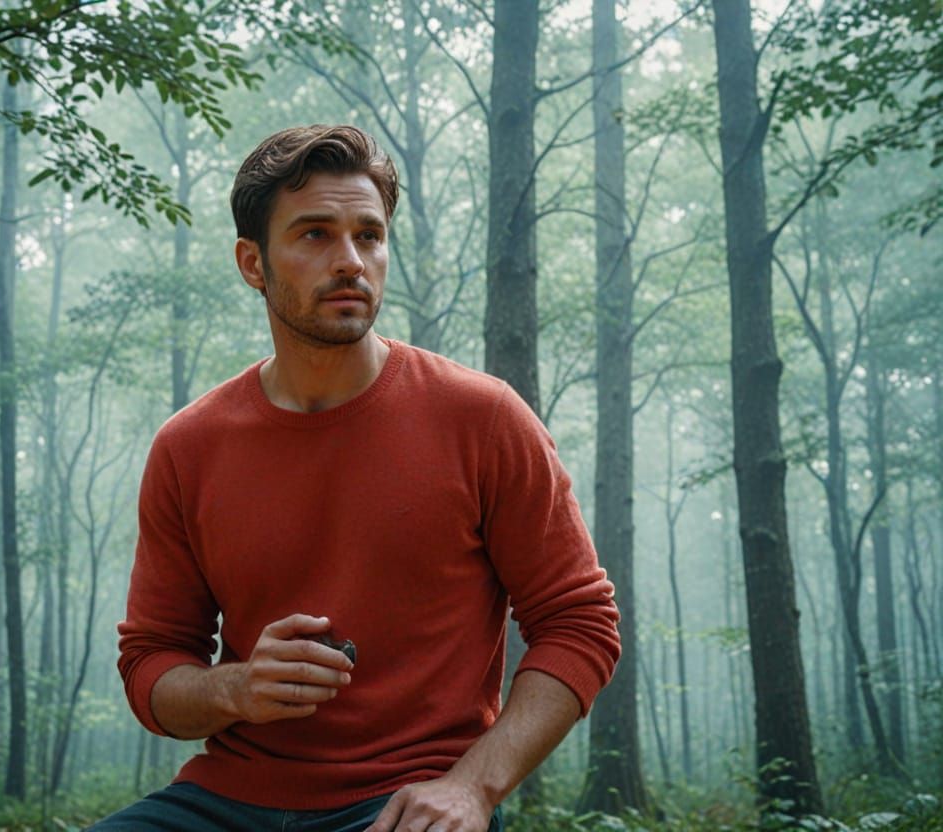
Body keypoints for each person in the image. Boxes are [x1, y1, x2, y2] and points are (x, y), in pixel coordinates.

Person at [91, 125, 620, 832]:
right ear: (253, 262)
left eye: (368, 236)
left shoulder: (482, 417)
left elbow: (579, 623)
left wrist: (473, 789)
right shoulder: (190, 446)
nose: (350, 261)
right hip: (222, 801)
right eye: (314, 235)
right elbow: (152, 666)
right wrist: (236, 689)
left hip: (407, 804)